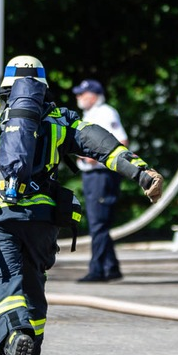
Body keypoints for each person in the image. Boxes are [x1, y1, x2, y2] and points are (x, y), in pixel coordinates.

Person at [0, 56, 164, 355]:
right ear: (42, 85)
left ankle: (16, 338)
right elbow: (101, 145)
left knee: (3, 283)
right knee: (33, 285)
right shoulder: (60, 119)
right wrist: (143, 173)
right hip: (43, 221)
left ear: (6, 83)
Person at [72, 79, 128, 283]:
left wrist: (95, 157)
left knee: (98, 224)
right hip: (92, 175)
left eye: (82, 94)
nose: (78, 97)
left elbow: (122, 141)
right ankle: (111, 267)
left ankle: (97, 270)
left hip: (102, 175)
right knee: (98, 223)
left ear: (94, 95)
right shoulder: (91, 115)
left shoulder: (106, 113)